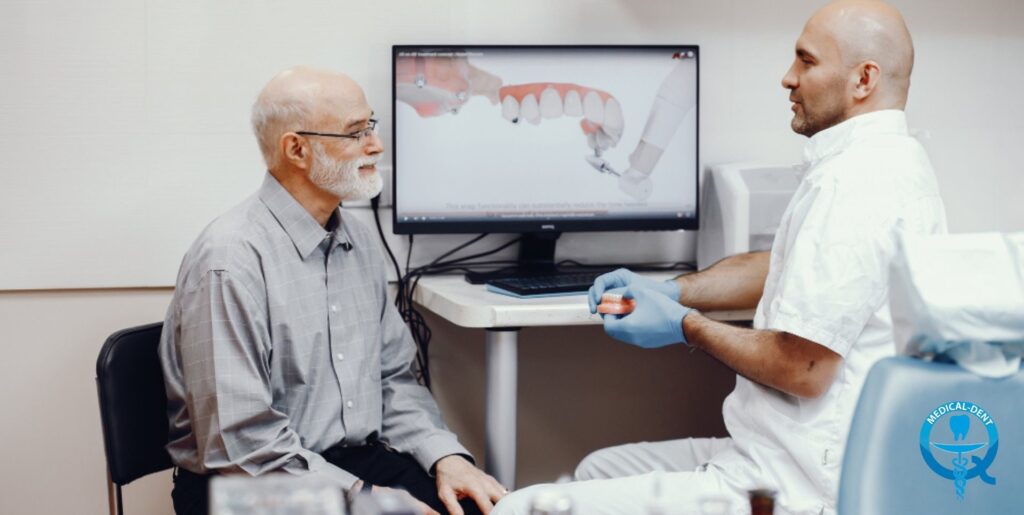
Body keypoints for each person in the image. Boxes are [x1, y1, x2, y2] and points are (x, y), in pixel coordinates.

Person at [493, 1, 946, 513]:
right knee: (598, 468)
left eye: (807, 61)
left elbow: (806, 366)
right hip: (774, 451)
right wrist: (670, 290)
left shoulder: (857, 184)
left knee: (520, 508)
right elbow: (780, 267)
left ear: (863, 79)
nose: (787, 78)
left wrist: (686, 326)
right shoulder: (880, 160)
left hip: (800, 483)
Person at [158, 66, 506, 515]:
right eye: (355, 133)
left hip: (352, 463)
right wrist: (361, 499)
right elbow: (240, 445)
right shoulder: (230, 260)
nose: (376, 146)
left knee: (480, 509)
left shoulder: (358, 242)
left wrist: (445, 456)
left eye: (371, 126)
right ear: (297, 149)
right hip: (249, 482)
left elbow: (393, 381)